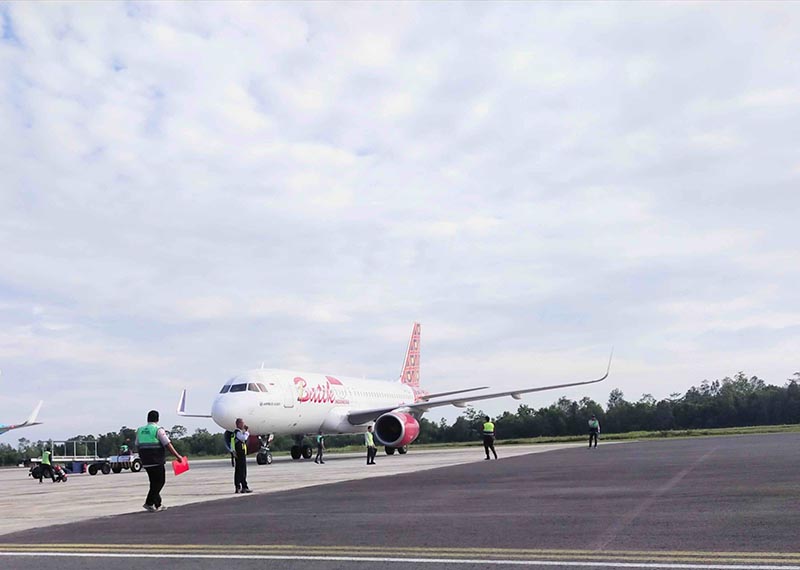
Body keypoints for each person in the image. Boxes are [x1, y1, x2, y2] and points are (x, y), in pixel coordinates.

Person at [135, 410, 182, 512]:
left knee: (153, 483)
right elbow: (167, 444)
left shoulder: (140, 430)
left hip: (145, 461)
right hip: (156, 460)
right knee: (160, 482)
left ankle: (158, 504)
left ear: (147, 419)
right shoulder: (158, 430)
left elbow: (137, 444)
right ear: (158, 419)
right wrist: (177, 456)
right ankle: (149, 503)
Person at [232, 418, 252, 493]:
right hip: (240, 453)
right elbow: (243, 438)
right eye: (242, 423)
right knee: (242, 470)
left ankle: (238, 487)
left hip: (238, 453)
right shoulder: (237, 432)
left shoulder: (235, 433)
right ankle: (244, 487)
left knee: (238, 470)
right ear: (239, 424)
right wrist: (247, 432)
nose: (243, 424)